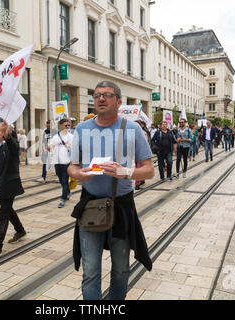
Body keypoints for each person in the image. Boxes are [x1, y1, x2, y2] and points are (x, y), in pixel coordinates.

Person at [68, 81, 153, 300]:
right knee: (91, 271)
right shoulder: (81, 129)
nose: (101, 99)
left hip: (122, 206)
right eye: (96, 95)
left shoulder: (132, 129)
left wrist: (125, 171)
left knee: (121, 269)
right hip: (90, 206)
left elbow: (149, 170)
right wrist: (79, 175)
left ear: (118, 100)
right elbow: (72, 166)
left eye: (107, 95)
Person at [0, 121, 26, 260]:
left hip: (8, 186)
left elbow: (14, 147)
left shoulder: (11, 146)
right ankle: (20, 231)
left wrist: (8, 136)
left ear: (6, 133)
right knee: (8, 210)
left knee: (3, 214)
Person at [48, 118, 73, 208]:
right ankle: (68, 192)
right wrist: (50, 147)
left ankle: (63, 199)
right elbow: (50, 147)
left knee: (64, 180)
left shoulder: (71, 136)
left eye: (68, 125)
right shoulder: (55, 137)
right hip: (57, 162)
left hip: (66, 162)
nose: (67, 127)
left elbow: (74, 148)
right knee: (61, 180)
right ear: (61, 126)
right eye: (66, 125)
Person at [135, 120, 151, 190]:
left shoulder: (144, 133)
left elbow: (146, 143)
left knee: (138, 167)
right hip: (134, 152)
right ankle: (142, 179)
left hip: (141, 152)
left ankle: (137, 183)